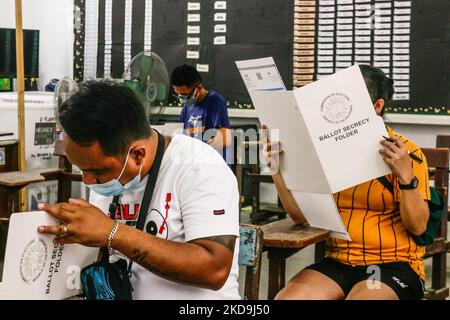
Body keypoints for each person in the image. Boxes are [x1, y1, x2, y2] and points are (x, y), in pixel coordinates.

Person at [37, 81, 240, 300]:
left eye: (96, 171)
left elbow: (215, 270)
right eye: (82, 170)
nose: (88, 181)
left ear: (137, 155)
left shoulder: (199, 166)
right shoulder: (111, 171)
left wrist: (111, 232)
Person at [262, 65, 430, 300]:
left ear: (377, 106)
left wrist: (405, 177)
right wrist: (277, 169)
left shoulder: (405, 152)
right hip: (338, 262)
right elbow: (300, 217)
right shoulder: (324, 152)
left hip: (393, 264)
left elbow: (418, 226)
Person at [171, 64, 232, 163]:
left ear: (198, 88)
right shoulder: (186, 108)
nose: (182, 100)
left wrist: (199, 154)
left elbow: (226, 138)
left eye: (185, 95)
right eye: (179, 95)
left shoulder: (215, 101)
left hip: (214, 165)